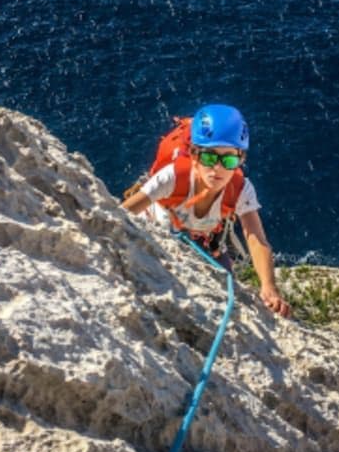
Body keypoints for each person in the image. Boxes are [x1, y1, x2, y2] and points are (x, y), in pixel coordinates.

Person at [122, 104, 291, 317]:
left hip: (203, 239)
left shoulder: (241, 189)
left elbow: (257, 240)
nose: (217, 168)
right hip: (157, 235)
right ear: (194, 154)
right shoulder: (173, 176)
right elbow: (121, 213)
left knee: (229, 291)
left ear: (241, 160)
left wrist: (269, 287)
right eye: (209, 158)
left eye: (228, 160)